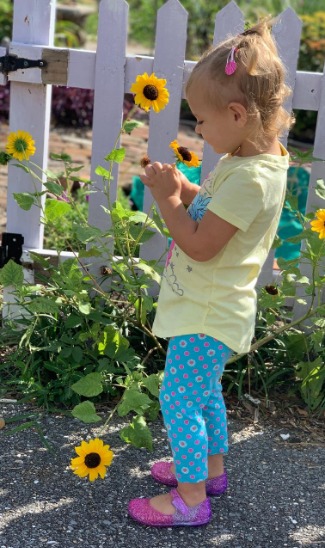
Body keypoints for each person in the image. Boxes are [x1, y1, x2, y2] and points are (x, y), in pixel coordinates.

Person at [128, 19, 292, 527]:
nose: (197, 129)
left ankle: (191, 498)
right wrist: (189, 189)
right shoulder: (249, 160)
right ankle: (211, 471)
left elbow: (199, 244)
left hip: (206, 310)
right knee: (204, 394)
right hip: (215, 307)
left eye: (200, 119)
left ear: (238, 113)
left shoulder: (249, 179)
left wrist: (167, 200)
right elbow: (217, 212)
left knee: (180, 401)